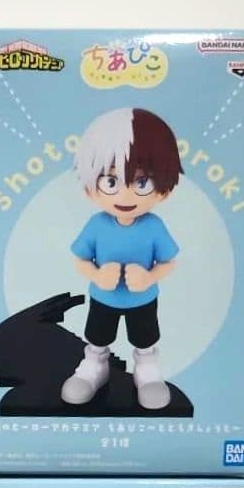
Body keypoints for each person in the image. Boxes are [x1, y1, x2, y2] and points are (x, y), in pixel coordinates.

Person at [62, 108, 182, 410]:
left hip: (143, 300)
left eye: (142, 182)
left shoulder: (154, 227)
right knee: (97, 335)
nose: (126, 195)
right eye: (111, 181)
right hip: (103, 298)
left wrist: (150, 277)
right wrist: (97, 275)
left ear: (164, 189)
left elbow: (170, 262)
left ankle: (147, 369)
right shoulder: (96, 225)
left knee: (145, 337)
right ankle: (95, 365)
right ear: (90, 188)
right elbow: (79, 259)